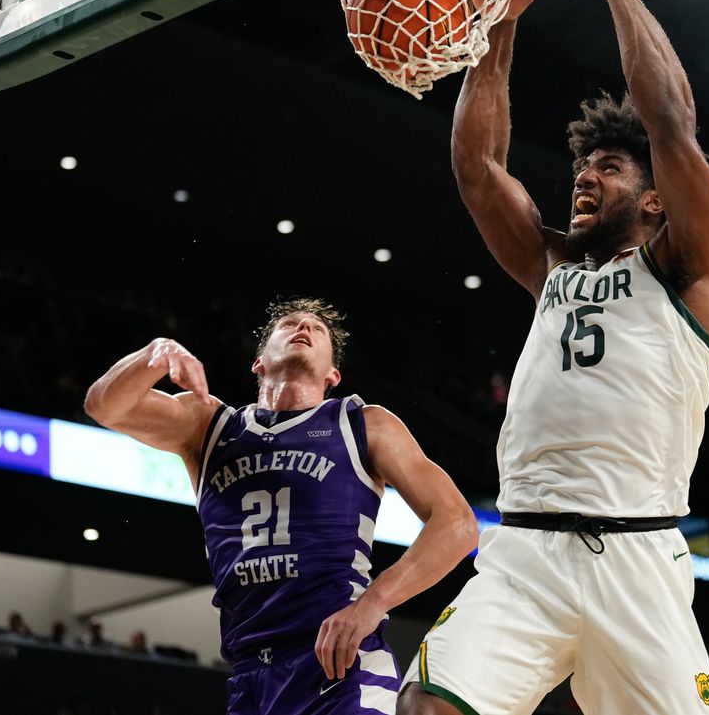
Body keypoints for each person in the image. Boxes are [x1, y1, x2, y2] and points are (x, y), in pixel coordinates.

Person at [399, 0, 709, 715]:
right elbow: (477, 168)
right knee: (427, 707)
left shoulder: (686, 265)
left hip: (638, 558)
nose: (584, 176)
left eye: (610, 168)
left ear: (655, 200)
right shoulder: (550, 261)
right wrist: (498, 28)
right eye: (583, 167)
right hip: (526, 554)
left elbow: (670, 120)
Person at [85, 297, 477, 715]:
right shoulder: (208, 426)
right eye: (289, 324)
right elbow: (103, 406)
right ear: (258, 363)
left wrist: (373, 604)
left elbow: (457, 523)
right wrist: (155, 354)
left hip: (337, 662)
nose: (304, 327)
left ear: (333, 374)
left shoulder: (362, 424)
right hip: (250, 673)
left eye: (317, 329)